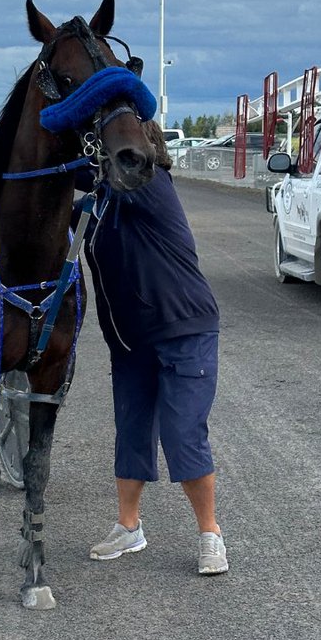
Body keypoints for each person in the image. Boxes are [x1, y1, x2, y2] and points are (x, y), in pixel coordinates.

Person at [80, 121, 228, 575]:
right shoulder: (100, 202)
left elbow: (78, 176)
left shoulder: (150, 183)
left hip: (184, 328)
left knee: (183, 433)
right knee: (131, 430)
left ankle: (210, 534)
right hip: (130, 339)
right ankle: (129, 527)